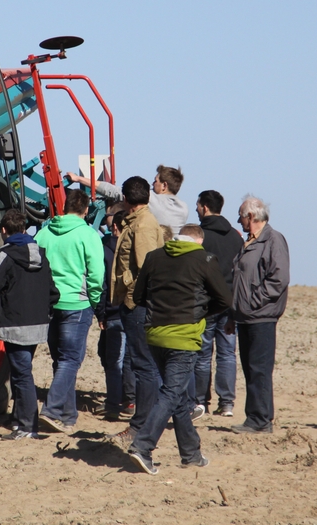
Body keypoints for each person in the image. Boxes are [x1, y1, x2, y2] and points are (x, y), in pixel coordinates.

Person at [127, 224, 232, 474]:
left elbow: (138, 297)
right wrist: (202, 314)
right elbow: (225, 299)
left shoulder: (154, 257)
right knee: (172, 393)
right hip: (184, 337)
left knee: (180, 397)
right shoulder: (203, 258)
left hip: (154, 334)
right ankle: (142, 446)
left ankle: (191, 454)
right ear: (198, 241)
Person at [0, 209, 59, 440]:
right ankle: (19, 421)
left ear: (4, 230)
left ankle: (27, 427)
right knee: (21, 371)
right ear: (24, 229)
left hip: (13, 324)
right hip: (38, 324)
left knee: (22, 374)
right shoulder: (41, 255)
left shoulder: (3, 256)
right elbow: (53, 292)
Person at [34, 189, 105, 434]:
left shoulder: (43, 233)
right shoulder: (88, 234)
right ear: (86, 211)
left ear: (64, 207)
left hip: (48, 303)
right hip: (77, 303)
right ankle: (52, 410)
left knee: (62, 362)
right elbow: (96, 273)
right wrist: (95, 301)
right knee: (70, 360)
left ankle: (68, 415)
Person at [106, 176, 165, 450]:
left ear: (127, 200)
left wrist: (132, 298)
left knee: (144, 367)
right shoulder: (139, 222)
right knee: (145, 366)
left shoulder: (141, 226)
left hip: (138, 305)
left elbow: (145, 269)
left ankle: (141, 426)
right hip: (137, 303)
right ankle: (143, 424)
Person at [231, 195, 290, 434]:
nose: (239, 221)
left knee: (259, 369)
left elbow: (279, 279)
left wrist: (253, 302)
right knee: (250, 368)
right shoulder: (249, 242)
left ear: (251, 216)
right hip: (246, 317)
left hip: (261, 317)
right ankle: (255, 417)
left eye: (241, 216)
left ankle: (260, 420)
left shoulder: (273, 240)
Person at [193, 190, 244, 418]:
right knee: (227, 354)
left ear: (204, 207)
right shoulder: (235, 236)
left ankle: (200, 401)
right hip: (230, 302)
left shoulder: (200, 235)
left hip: (206, 303)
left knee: (203, 354)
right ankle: (227, 403)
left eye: (197, 205)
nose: (196, 209)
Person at [66, 165, 189, 235]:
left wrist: (78, 179)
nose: (152, 184)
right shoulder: (184, 209)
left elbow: (112, 191)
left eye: (155, 181)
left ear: (164, 185)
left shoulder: (151, 200)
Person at [96, 208, 135, 421]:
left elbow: (102, 285)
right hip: (131, 310)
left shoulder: (104, 250)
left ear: (114, 228)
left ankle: (114, 402)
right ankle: (129, 400)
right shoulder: (135, 250)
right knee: (127, 357)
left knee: (113, 360)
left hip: (112, 312)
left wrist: (100, 313)